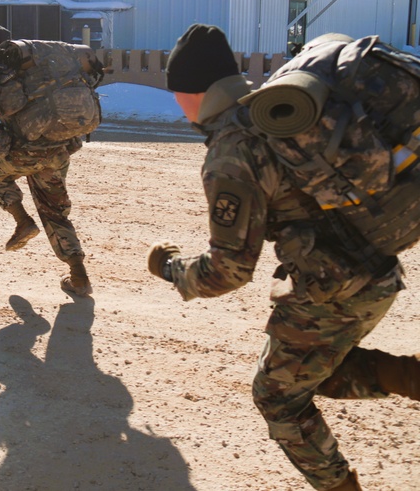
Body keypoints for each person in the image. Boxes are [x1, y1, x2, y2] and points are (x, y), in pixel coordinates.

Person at [147, 24, 420, 491]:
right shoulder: (273, 116)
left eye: (177, 94)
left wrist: (172, 270)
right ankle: (408, 375)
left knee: (276, 397)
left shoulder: (233, 151)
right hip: (374, 275)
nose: (176, 103)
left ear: (192, 93)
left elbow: (228, 271)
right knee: (311, 374)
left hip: (333, 290)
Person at [0, 25, 102, 298]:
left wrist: (5, 132)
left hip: (22, 152)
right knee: (54, 211)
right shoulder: (39, 66)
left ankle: (21, 220)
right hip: (57, 151)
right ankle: (79, 276)